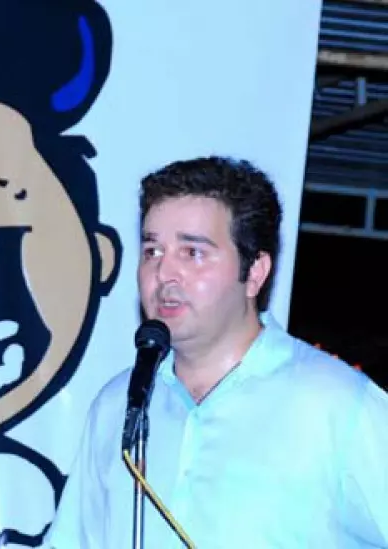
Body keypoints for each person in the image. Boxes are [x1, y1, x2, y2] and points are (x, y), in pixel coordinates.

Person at [46, 156, 388, 548]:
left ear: (254, 272)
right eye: (152, 250)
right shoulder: (119, 405)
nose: (163, 273)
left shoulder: (336, 404)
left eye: (192, 252)